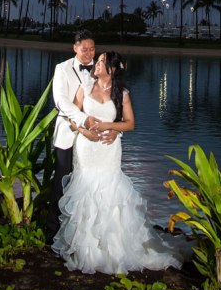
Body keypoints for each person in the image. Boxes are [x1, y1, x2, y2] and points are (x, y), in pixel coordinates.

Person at [51, 51, 187, 274]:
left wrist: (110, 128)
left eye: (102, 62)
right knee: (86, 190)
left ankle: (112, 246)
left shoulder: (121, 93)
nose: (97, 64)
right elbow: (73, 117)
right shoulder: (84, 86)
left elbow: (130, 123)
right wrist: (86, 131)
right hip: (86, 148)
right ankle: (87, 249)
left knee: (110, 193)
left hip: (109, 150)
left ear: (112, 70)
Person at [44, 29, 117, 244]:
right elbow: (61, 102)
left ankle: (87, 236)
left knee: (89, 186)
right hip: (69, 134)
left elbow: (116, 104)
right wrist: (83, 121)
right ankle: (53, 233)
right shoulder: (62, 69)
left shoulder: (101, 69)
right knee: (62, 182)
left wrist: (115, 129)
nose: (88, 54)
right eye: (84, 49)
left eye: (92, 49)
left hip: (94, 142)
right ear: (75, 48)